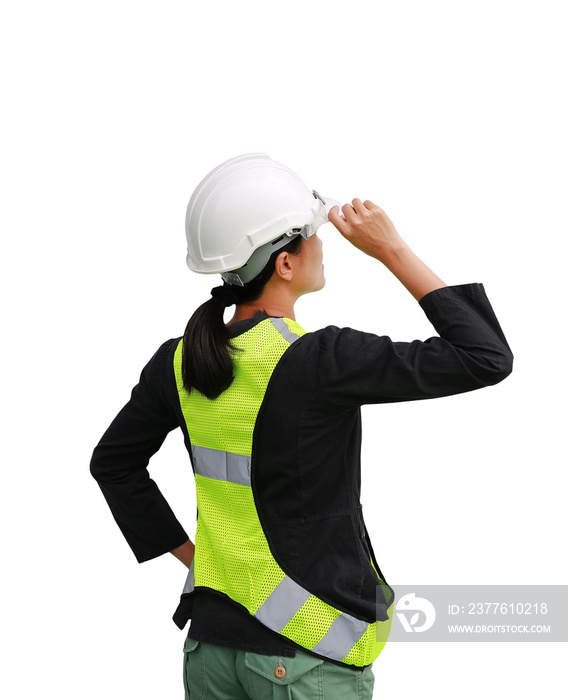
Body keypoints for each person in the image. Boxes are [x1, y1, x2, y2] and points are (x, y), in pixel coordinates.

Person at [90, 153, 513, 699]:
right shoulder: (321, 360)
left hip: (210, 649)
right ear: (284, 265)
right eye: (312, 236)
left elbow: (114, 463)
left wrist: (195, 558)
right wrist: (390, 249)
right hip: (304, 659)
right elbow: (485, 356)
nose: (321, 244)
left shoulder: (178, 362)